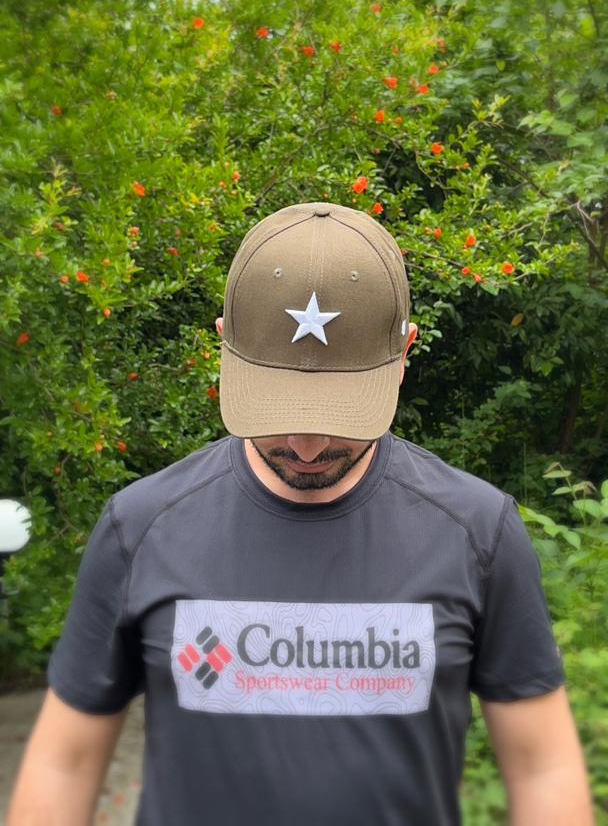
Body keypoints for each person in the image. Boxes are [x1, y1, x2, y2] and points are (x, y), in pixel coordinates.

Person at [7, 201, 594, 825]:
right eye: (278, 407)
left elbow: (542, 765)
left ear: (404, 353)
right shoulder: (140, 527)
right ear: (225, 343)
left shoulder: (478, 532)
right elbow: (66, 761)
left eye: (341, 413)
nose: (307, 446)